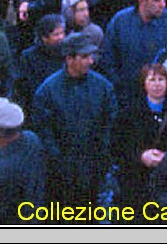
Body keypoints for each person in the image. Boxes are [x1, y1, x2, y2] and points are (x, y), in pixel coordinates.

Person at [30, 32, 118, 204]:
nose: (91, 61)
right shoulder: (48, 91)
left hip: (93, 168)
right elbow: (43, 131)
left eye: (91, 56)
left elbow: (110, 126)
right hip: (60, 174)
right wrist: (60, 164)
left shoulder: (103, 87)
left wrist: (101, 160)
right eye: (84, 57)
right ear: (69, 58)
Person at [98, 0, 167, 108]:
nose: (163, 5)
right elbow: (107, 60)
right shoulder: (120, 22)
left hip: (163, 100)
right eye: (156, 0)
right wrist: (120, 88)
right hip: (128, 98)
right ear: (142, 1)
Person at [114, 63, 167, 205]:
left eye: (161, 79)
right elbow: (119, 146)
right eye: (152, 80)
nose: (157, 84)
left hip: (166, 181)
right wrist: (141, 157)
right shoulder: (129, 113)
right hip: (136, 181)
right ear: (144, 84)